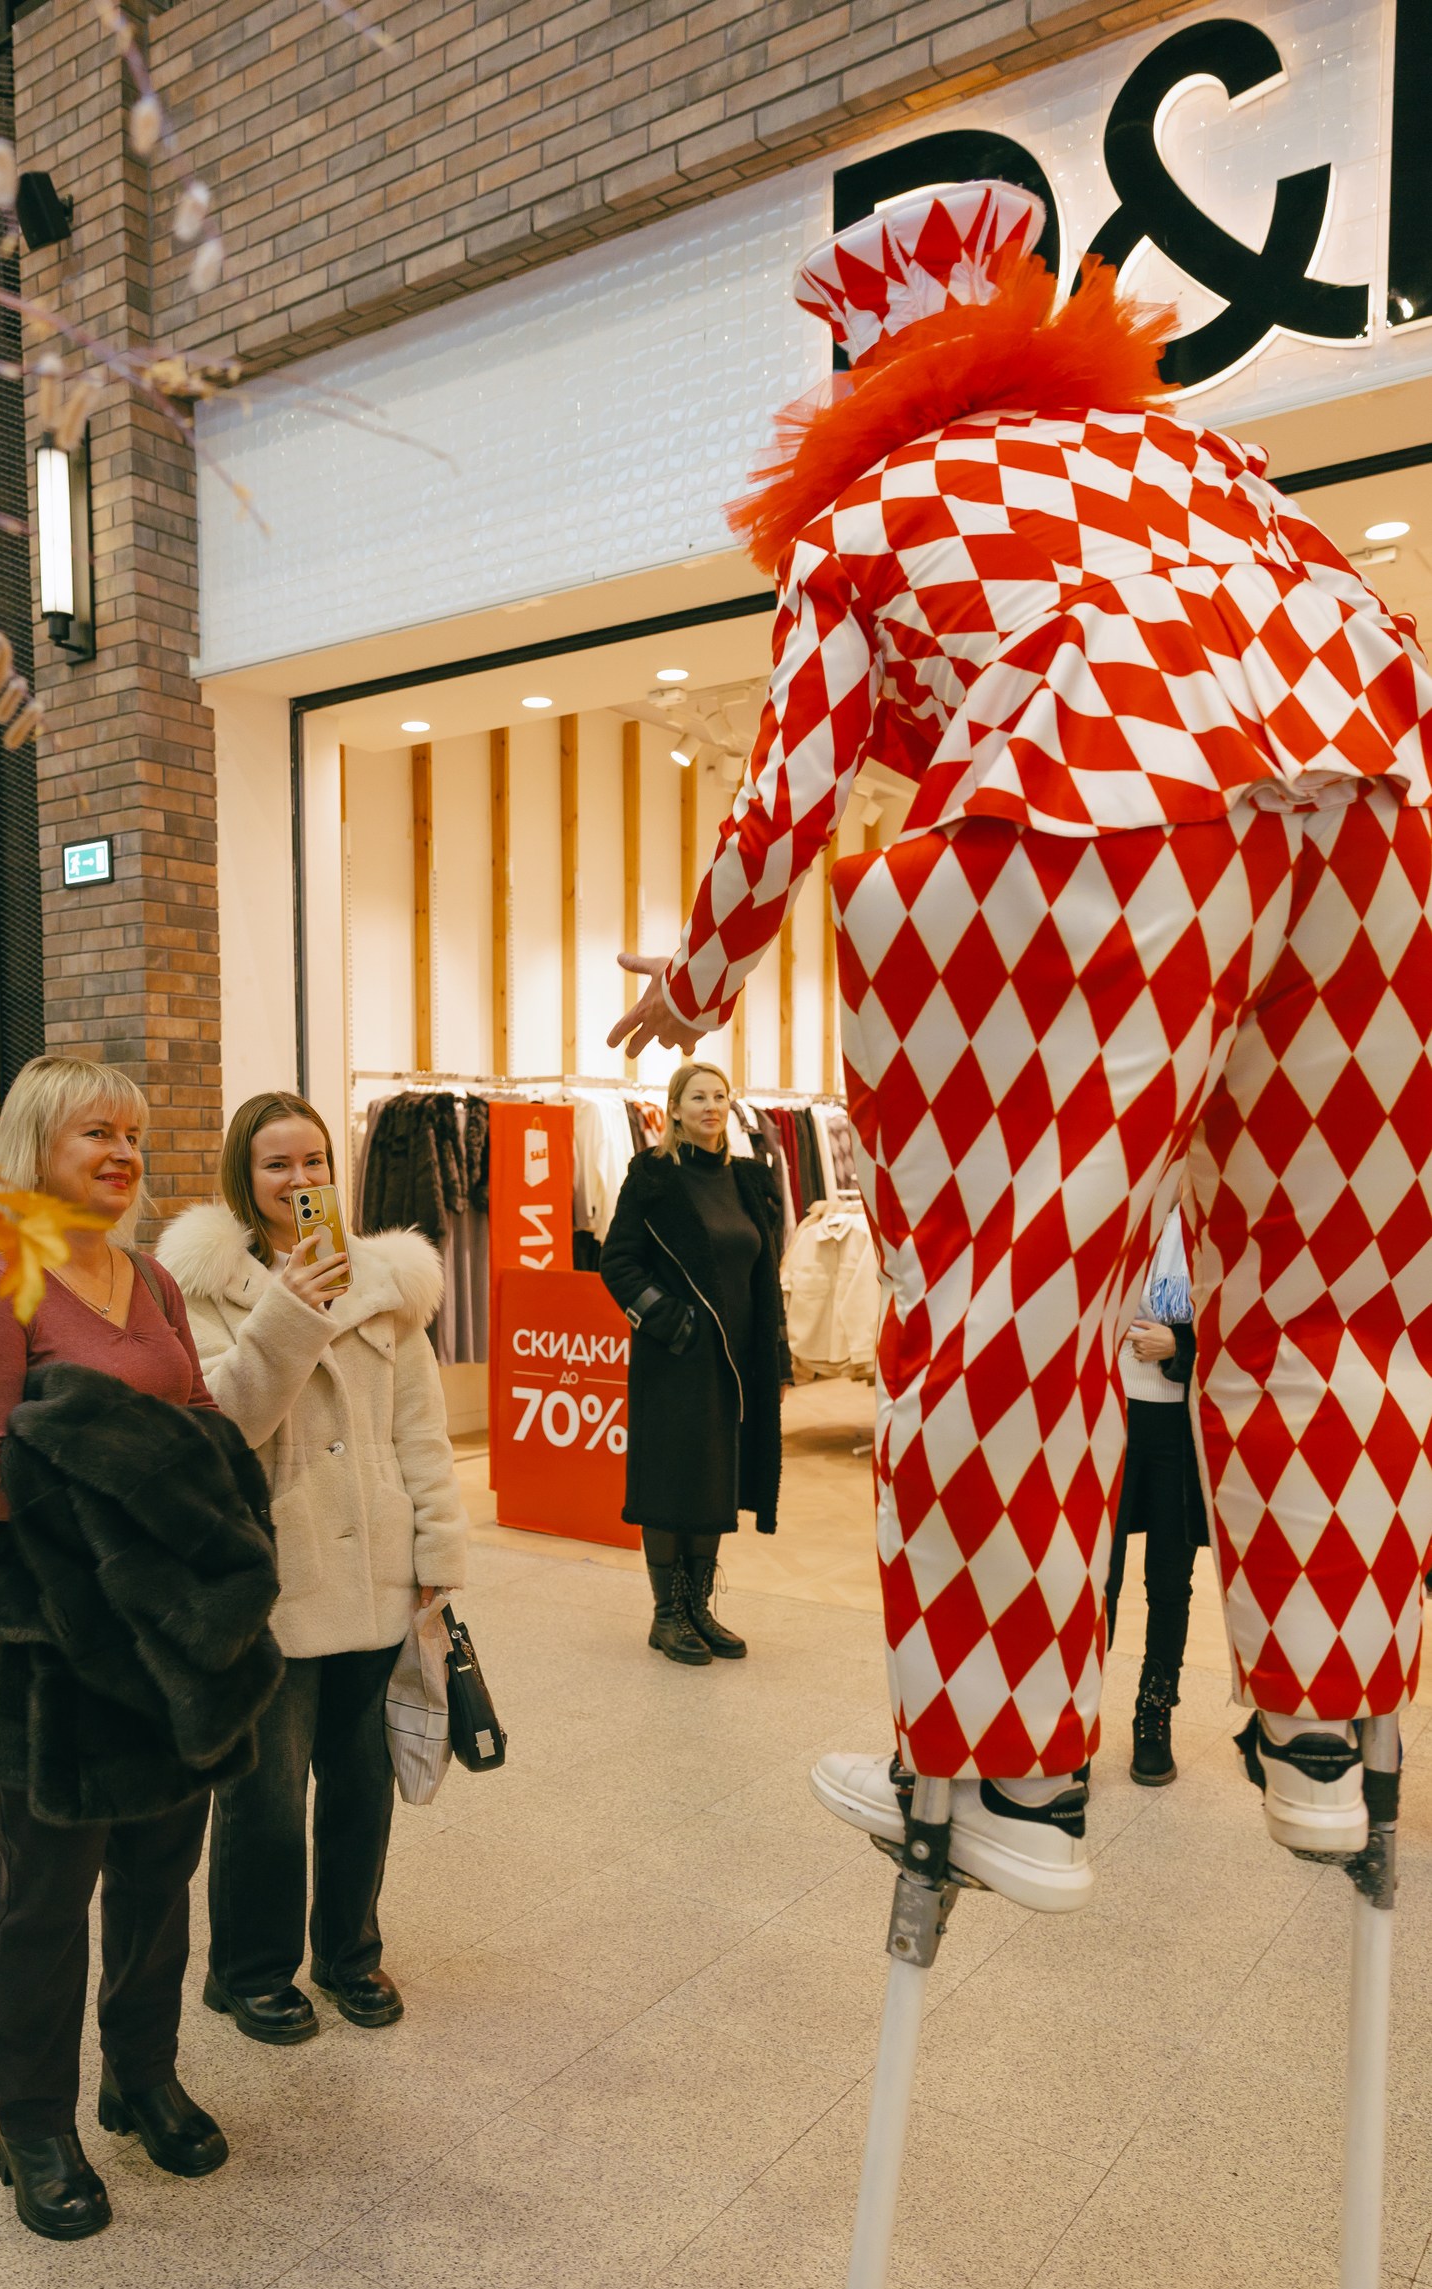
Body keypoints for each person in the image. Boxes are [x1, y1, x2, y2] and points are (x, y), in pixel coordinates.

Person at [610, 180, 1432, 1910]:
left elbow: (787, 795)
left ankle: (1011, 1775)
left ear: (862, 375)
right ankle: (1321, 1733)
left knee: (1014, 1297)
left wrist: (695, 979)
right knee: (1333, 1291)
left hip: (1095, 826)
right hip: (1368, 821)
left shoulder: (871, 516)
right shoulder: (1203, 465)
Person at [0, 1056, 239, 2242]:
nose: (122, 1154)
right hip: (43, 1653)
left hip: (159, 1639)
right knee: (46, 1894)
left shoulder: (151, 1279)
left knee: (161, 1872)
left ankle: (141, 2075)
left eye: (131, 1134)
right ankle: (33, 2127)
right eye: (93, 1135)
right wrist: (147, 1467)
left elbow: (199, 1418)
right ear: (36, 1151)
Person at [160, 1089, 468, 2042]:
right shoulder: (202, 1289)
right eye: (277, 1165)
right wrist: (288, 1309)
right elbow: (228, 1422)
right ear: (244, 1178)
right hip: (273, 1578)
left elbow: (420, 1434)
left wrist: (436, 1552)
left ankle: (349, 1954)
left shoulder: (386, 1285)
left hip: (376, 1569)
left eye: (315, 1162)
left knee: (361, 1785)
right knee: (263, 1794)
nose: (300, 1180)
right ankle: (249, 1971)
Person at [599, 1060, 789, 1665]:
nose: (711, 1106)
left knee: (715, 1479)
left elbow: (765, 1278)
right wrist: (670, 1321)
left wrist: (778, 1359)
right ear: (675, 1110)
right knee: (669, 1478)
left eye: (719, 1096)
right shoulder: (653, 1177)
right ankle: (666, 1616)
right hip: (674, 1359)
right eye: (698, 1097)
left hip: (738, 1361)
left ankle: (698, 1609)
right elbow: (617, 1263)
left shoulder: (750, 1180)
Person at [1104, 1205, 1206, 1788]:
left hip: (1181, 1427)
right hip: (1106, 1415)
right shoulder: (1122, 1197)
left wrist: (1181, 1342)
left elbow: (1250, 1315)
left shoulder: (1214, 1212)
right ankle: (1074, 1714)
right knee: (1098, 1576)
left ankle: (1154, 1714)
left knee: (1169, 1582)